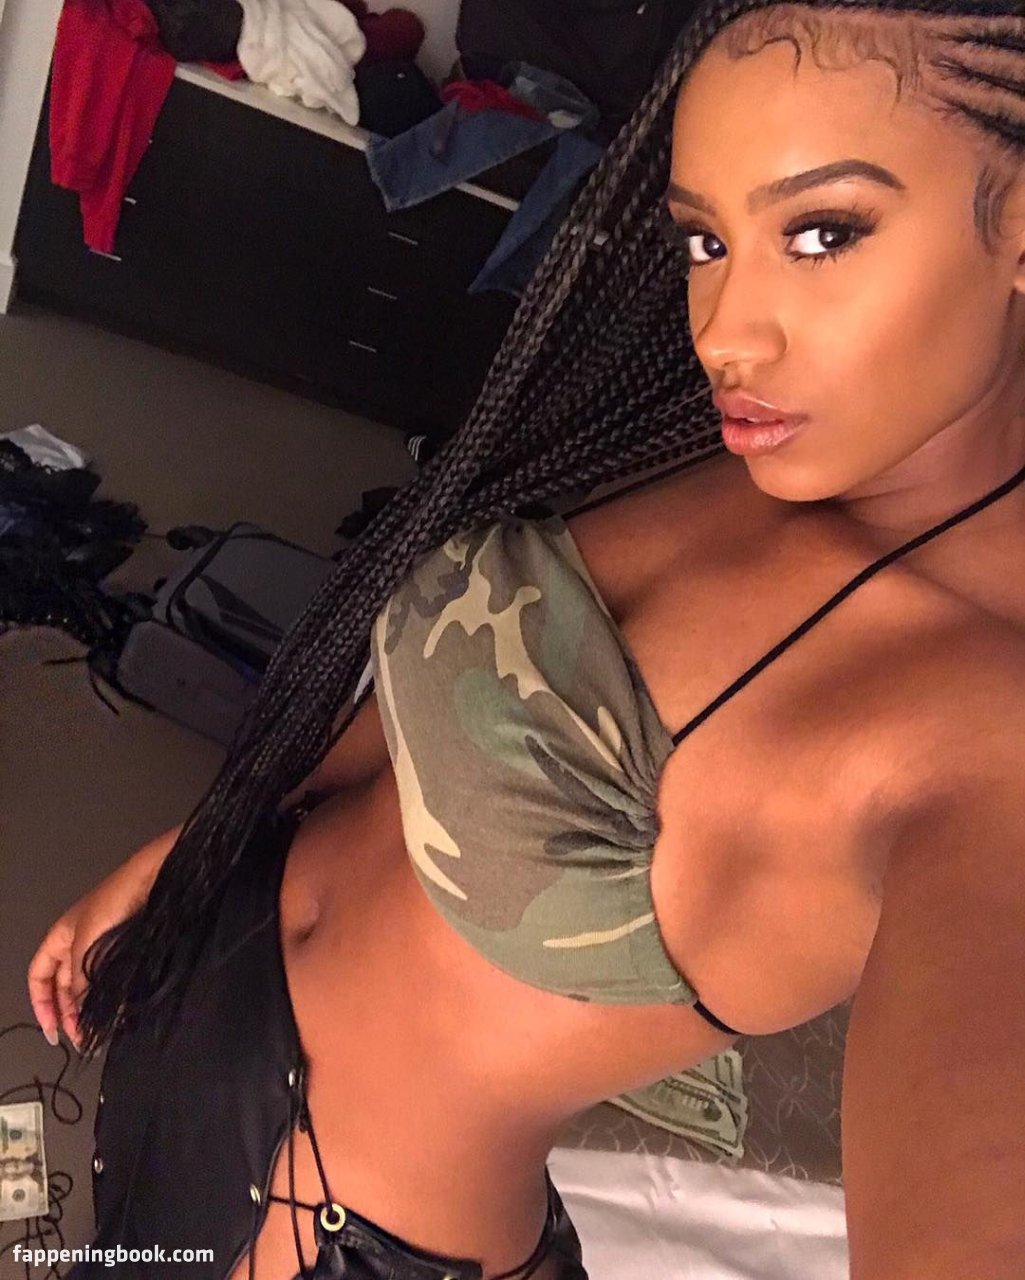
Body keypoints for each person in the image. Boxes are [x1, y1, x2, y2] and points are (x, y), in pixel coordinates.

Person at [27, 0, 1025, 1276]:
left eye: (822, 232)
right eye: (705, 240)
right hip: (212, 978)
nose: (724, 332)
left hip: (332, 1225)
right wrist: (203, 843)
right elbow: (435, 707)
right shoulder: (736, 440)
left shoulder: (983, 752)